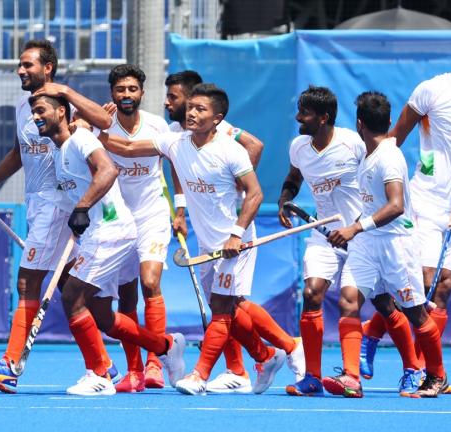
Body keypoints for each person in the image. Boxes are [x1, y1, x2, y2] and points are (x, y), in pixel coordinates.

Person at [99, 84, 300, 396]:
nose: (192, 113)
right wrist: (93, 137)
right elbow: (126, 149)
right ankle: (266, 356)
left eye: (200, 109)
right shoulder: (175, 141)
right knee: (229, 312)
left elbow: (256, 193)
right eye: (190, 107)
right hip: (208, 247)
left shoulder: (231, 150)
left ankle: (199, 375)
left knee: (220, 309)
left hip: (236, 243)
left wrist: (236, 234)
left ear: (217, 118)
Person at [0, 39, 117, 394]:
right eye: (19, 65)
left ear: (48, 67)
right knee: (70, 292)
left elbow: (105, 121)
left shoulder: (64, 103)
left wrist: (64, 90)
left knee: (27, 282)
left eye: (28, 65)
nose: (21, 70)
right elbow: (20, 152)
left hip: (59, 204)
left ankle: (9, 365)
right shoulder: (24, 107)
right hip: (37, 203)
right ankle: (105, 364)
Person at [359, 26, 451, 392]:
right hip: (426, 199)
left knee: (446, 286)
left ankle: (425, 369)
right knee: (421, 282)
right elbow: (395, 137)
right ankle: (375, 340)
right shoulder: (432, 90)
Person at [29, 93, 186, 396]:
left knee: (73, 294)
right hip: (95, 235)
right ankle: (166, 346)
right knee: (101, 315)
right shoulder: (59, 152)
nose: (36, 116)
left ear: (62, 111)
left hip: (111, 230)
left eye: (41, 110)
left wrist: (83, 207)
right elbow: (71, 199)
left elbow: (108, 170)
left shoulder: (81, 139)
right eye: (33, 112)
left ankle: (99, 375)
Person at [165, 71, 305, 394]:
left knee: (223, 306)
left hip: (232, 235)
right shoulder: (175, 135)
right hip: (206, 236)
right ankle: (272, 353)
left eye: (175, 97)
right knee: (234, 306)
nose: (171, 103)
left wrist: (236, 188)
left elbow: (253, 147)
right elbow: (175, 164)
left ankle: (210, 373)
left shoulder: (222, 132)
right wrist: (181, 208)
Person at [323, 91, 447, 398]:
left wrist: (354, 228)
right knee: (348, 300)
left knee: (415, 312)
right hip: (367, 245)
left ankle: (437, 375)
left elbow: (395, 206)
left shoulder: (389, 158)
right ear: (389, 121)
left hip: (396, 245)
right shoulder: (365, 154)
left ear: (359, 123)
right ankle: (351, 377)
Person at [277, 86, 365, 396]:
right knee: (312, 292)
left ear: (324, 117)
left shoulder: (353, 143)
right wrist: (284, 199)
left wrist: (362, 226)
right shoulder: (299, 146)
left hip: (360, 236)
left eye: (305, 113)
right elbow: (295, 177)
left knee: (350, 301)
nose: (298, 117)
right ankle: (312, 377)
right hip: (323, 233)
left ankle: (352, 377)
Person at [102, 64, 172, 392]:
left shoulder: (159, 127)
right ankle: (134, 371)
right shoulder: (101, 126)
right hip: (118, 222)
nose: (126, 95)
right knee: (126, 297)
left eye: (132, 89)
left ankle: (156, 362)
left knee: (150, 282)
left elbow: (178, 165)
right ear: (112, 94)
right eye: (120, 90)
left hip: (153, 216)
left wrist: (181, 210)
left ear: (142, 93)